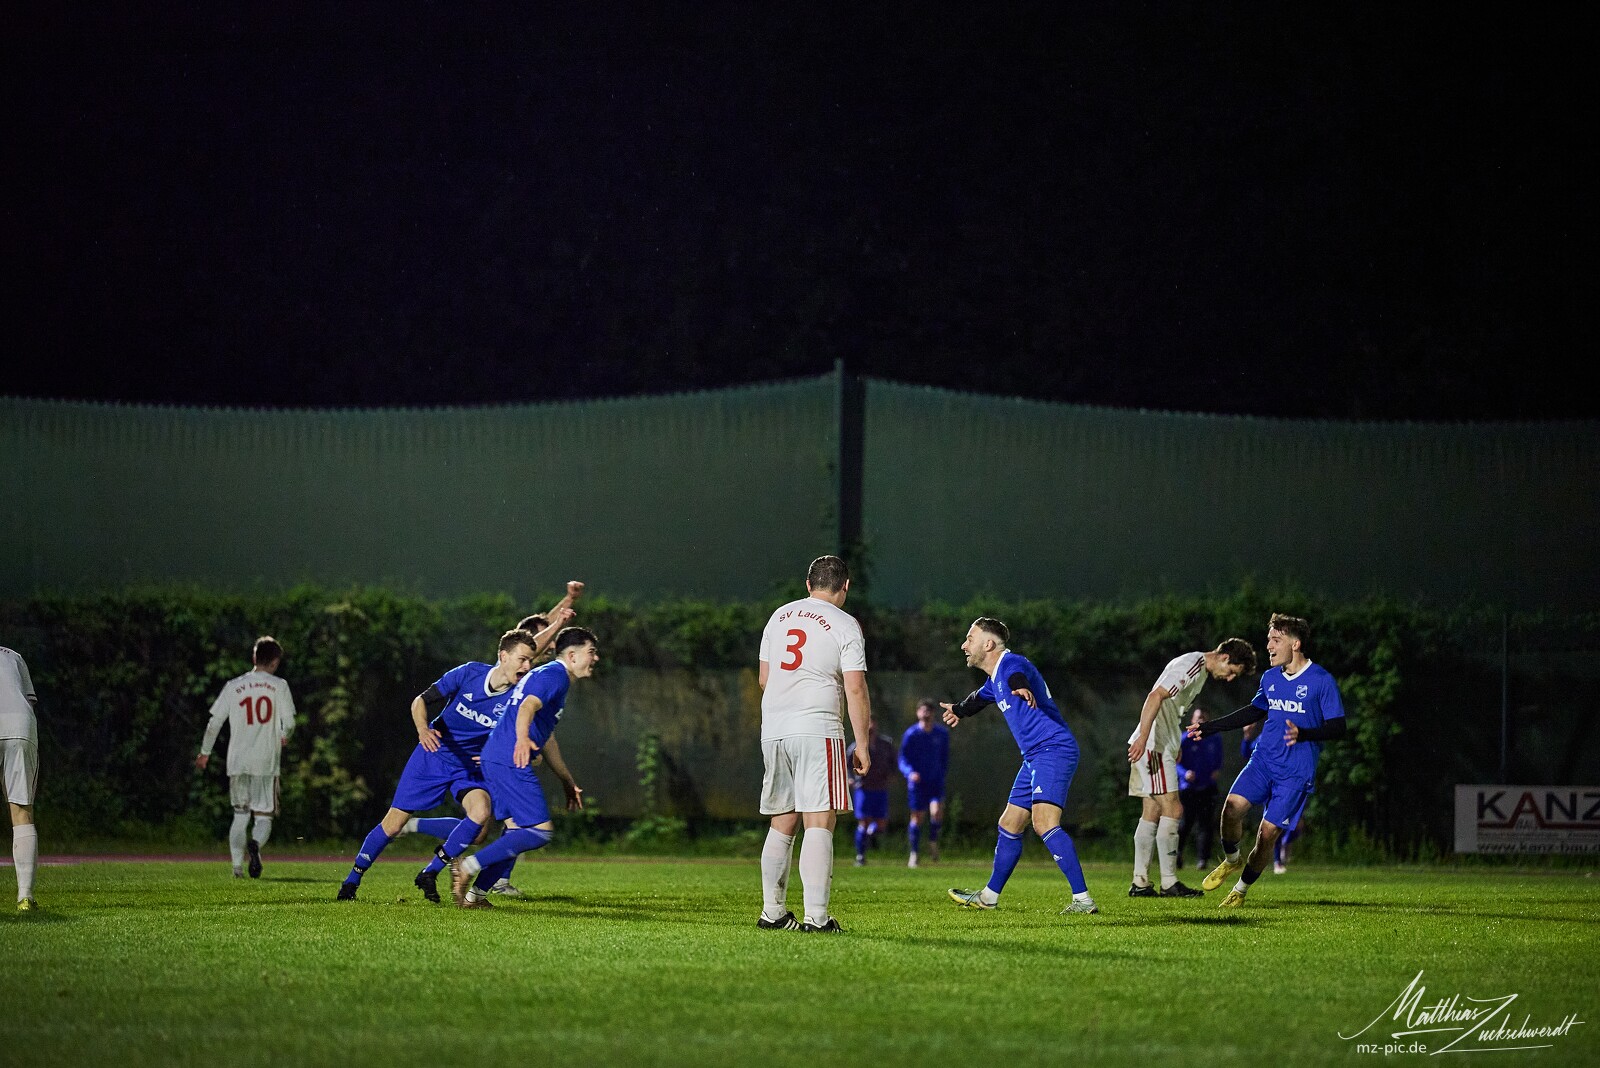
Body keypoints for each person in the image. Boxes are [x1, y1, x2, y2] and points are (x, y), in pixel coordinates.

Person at [398, 581, 584, 899]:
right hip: (492, 760)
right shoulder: (521, 676)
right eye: (543, 643)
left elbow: (548, 736)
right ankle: (474, 877)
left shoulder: (536, 678)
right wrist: (560, 615)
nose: (548, 648)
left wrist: (565, 605)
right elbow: (538, 636)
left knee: (487, 829)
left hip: (497, 758)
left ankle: (458, 876)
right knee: (511, 828)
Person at [336, 625, 548, 901]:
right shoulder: (469, 673)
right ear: (503, 656)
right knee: (393, 824)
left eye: (531, 661)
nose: (527, 666)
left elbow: (533, 752)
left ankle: (430, 872)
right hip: (434, 754)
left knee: (481, 813)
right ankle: (351, 882)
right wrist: (423, 730)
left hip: (470, 767)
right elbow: (420, 701)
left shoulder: (518, 701)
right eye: (522, 659)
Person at [1188, 613, 1347, 908]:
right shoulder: (1270, 678)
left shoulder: (1321, 680)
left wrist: (1305, 734)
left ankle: (1240, 890)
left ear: (1295, 644)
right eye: (1269, 640)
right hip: (1263, 761)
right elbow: (1254, 710)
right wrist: (1210, 728)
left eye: (1276, 640)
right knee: (1231, 809)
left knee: (1267, 835)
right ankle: (1232, 859)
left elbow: (1338, 726)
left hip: (1296, 772)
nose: (1269, 646)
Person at [944, 618, 1099, 916]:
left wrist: (1021, 688)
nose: (964, 645)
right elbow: (979, 699)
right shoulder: (994, 680)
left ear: (989, 644)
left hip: (1053, 749)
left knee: (1044, 823)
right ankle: (988, 897)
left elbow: (1018, 676)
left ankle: (1083, 900)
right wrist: (959, 710)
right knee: (1010, 824)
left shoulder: (1012, 664)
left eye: (970, 639)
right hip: (1034, 756)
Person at [755, 555, 873, 934]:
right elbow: (855, 687)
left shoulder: (779, 616)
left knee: (783, 819)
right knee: (820, 819)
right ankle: (817, 919)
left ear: (808, 584)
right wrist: (862, 743)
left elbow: (764, 679)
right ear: (845, 587)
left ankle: (773, 913)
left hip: (774, 727)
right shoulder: (845, 623)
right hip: (817, 727)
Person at [449, 627, 598, 908]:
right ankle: (468, 865)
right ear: (572, 655)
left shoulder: (551, 676)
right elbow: (527, 706)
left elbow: (547, 739)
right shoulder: (555, 675)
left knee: (516, 832)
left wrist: (566, 781)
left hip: (498, 756)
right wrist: (521, 739)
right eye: (591, 652)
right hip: (509, 758)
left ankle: (475, 895)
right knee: (540, 831)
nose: (595, 658)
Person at [1126, 638, 1257, 898]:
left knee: (1152, 811)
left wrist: (1174, 743)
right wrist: (1144, 738)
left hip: (1161, 742)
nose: (1230, 678)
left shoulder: (1198, 669)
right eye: (1232, 671)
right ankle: (1168, 883)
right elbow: (1155, 696)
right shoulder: (1192, 664)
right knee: (1174, 809)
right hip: (1154, 744)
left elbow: (1169, 707)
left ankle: (1140, 883)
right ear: (1224, 658)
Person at [196, 636, 297, 879]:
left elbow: (214, 723)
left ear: (254, 657)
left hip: (238, 761)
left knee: (240, 815)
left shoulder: (234, 686)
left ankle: (236, 868)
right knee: (263, 816)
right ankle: (256, 845)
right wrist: (284, 735)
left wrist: (205, 753)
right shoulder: (279, 685)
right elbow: (290, 722)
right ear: (275, 662)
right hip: (266, 761)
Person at [2, 645, 39, 911]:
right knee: (21, 811)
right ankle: (25, 897)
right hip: (19, 725)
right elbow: (28, 699)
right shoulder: (13, 656)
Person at [899, 698, 950, 867]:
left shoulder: (941, 734)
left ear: (933, 713)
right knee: (917, 817)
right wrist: (910, 773)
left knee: (936, 812)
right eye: (923, 710)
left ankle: (933, 842)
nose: (926, 713)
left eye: (929, 710)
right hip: (917, 783)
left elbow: (944, 758)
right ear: (917, 713)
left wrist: (940, 774)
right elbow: (903, 759)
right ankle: (914, 853)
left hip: (935, 782)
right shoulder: (911, 734)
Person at [1175, 707, 1224, 871]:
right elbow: (1175, 762)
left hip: (1207, 787)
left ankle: (1203, 859)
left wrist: (1216, 770)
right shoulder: (1185, 739)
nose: (1200, 721)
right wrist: (1184, 774)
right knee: (1185, 823)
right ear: (1192, 721)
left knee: (1206, 824)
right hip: (1188, 788)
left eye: (1203, 718)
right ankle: (1177, 854)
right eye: (1198, 718)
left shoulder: (1214, 739)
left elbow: (1218, 760)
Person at [846, 718, 896, 866]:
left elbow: (894, 762)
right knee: (864, 821)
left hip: (880, 788)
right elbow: (846, 765)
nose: (870, 726)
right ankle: (860, 855)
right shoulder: (856, 745)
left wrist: (891, 775)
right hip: (863, 788)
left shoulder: (885, 744)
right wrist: (850, 779)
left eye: (872, 722)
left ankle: (870, 835)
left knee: (881, 824)